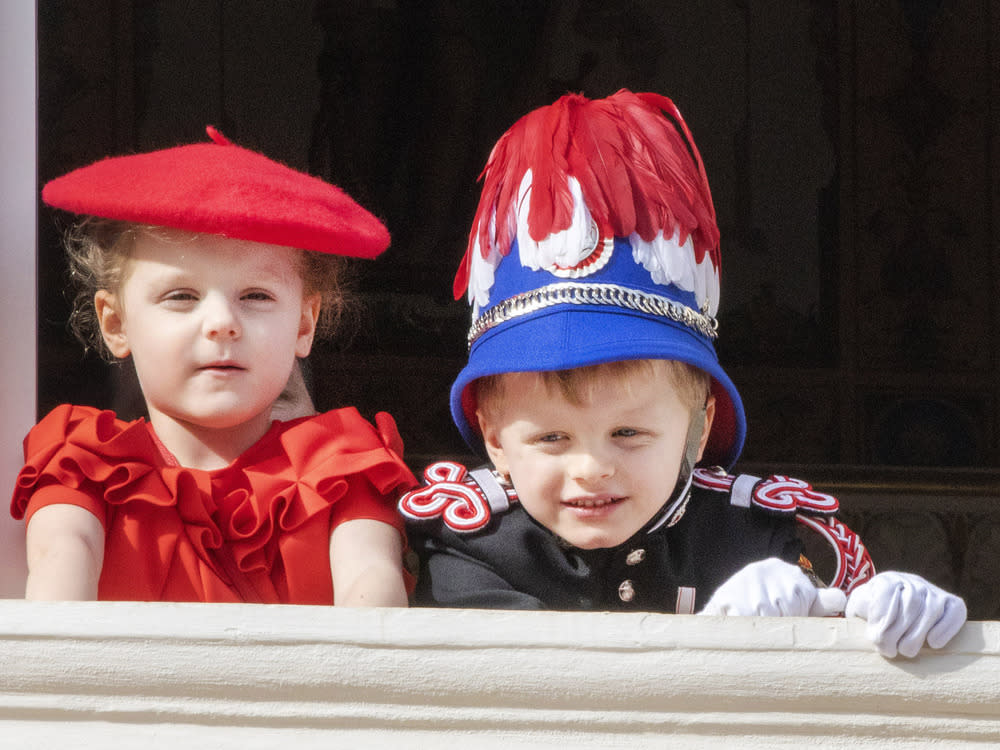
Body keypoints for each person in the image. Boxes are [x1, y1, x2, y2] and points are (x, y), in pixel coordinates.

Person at [399, 90, 967, 658]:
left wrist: (876, 622)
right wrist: (707, 649)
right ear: (495, 440)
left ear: (697, 428)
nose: (593, 468)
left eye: (628, 433)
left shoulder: (754, 536)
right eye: (551, 437)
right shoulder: (471, 545)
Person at [12, 127, 416, 606]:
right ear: (115, 322)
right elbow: (60, 585)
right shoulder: (83, 465)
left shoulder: (344, 466)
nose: (223, 323)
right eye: (181, 296)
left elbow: (373, 590)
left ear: (305, 323)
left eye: (256, 296)